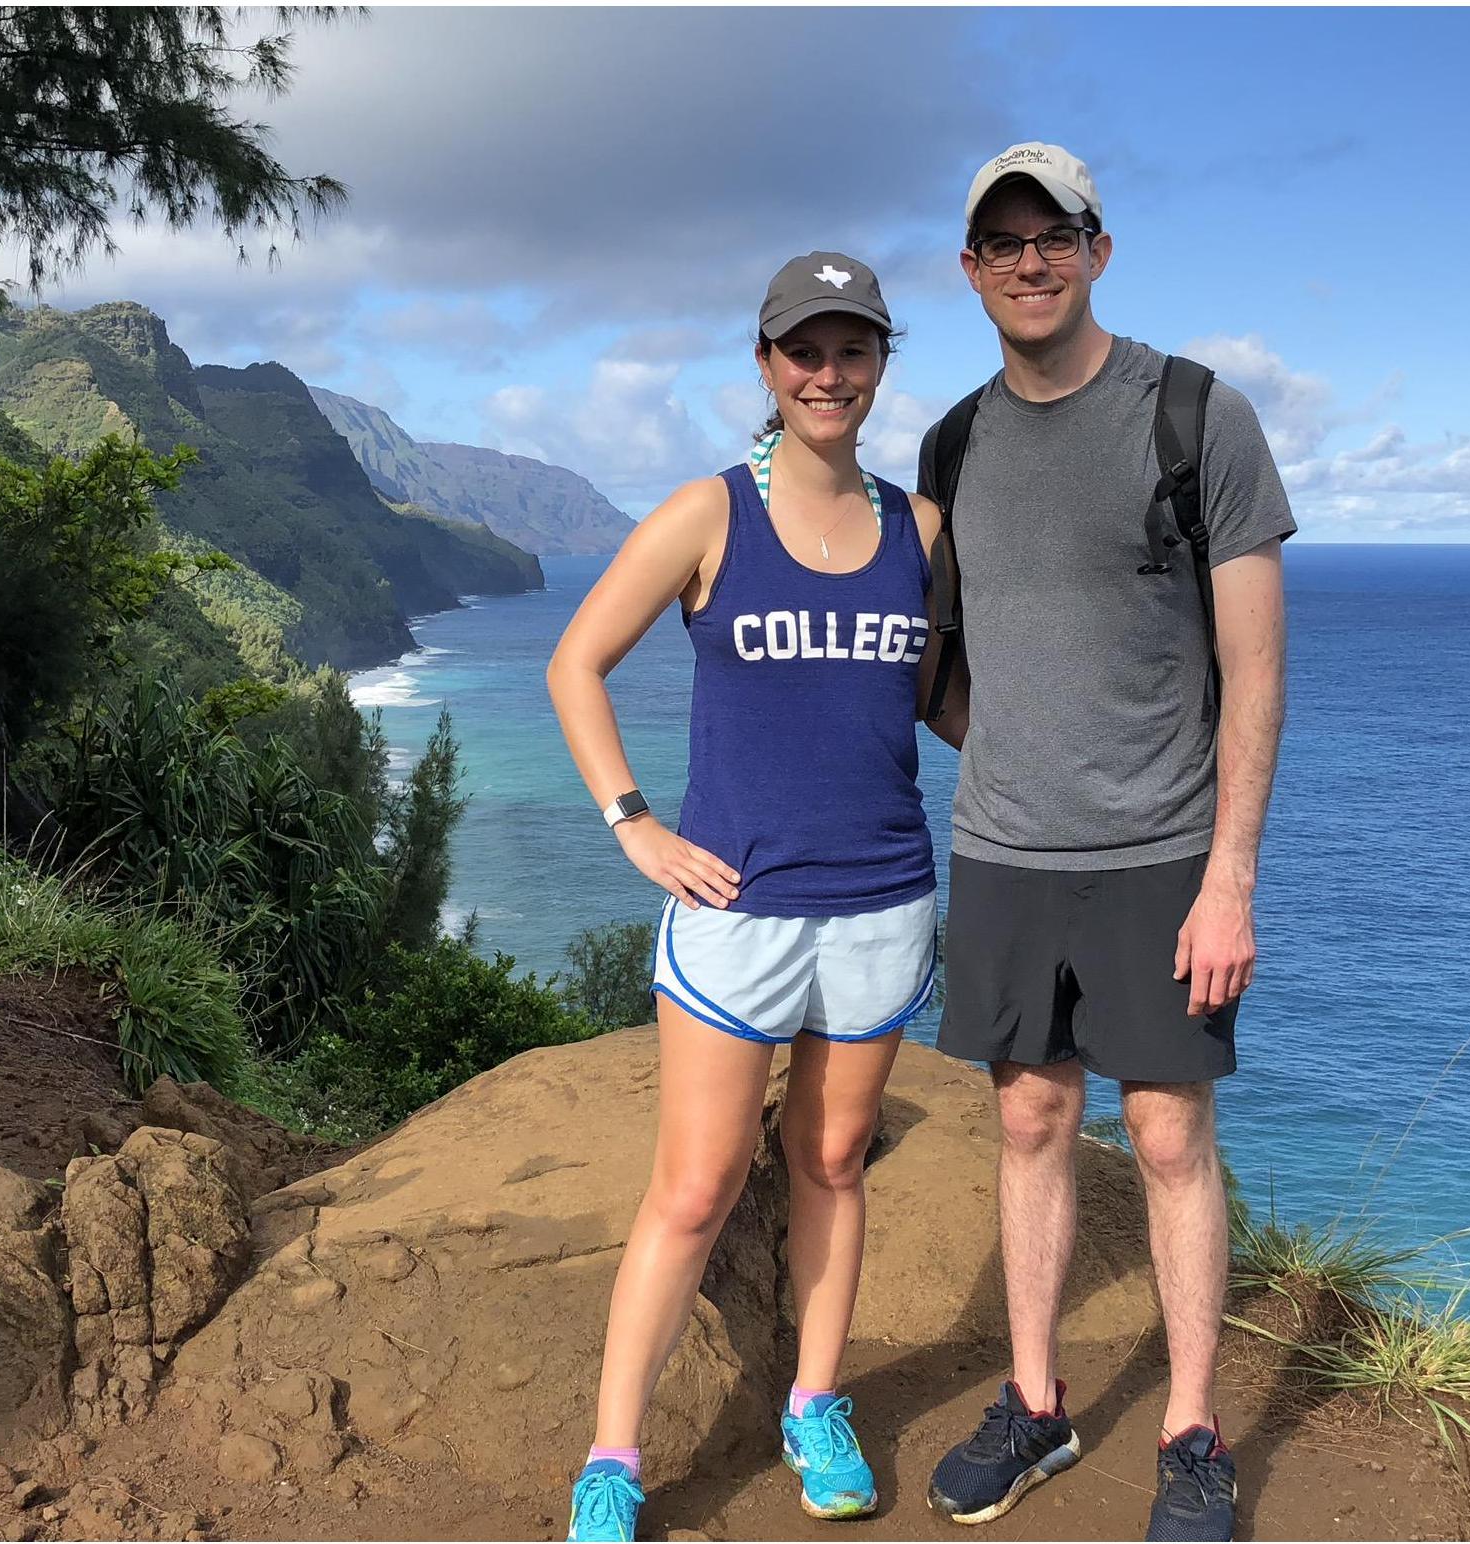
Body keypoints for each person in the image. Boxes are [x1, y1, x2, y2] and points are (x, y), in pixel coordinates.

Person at [917, 143, 1295, 1543]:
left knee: (1167, 1130)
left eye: (1054, 233)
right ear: (968, 269)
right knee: (1028, 1115)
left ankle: (1194, 1434)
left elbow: (1255, 671)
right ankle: (1038, 1402)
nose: (1030, 260)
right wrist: (1017, 749)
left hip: (1162, 855)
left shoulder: (1196, 415)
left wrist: (1231, 875)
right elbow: (944, 662)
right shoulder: (951, 442)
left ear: (1098, 247)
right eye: (1001, 241)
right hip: (1009, 850)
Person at [547, 251, 943, 1542]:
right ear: (767, 366)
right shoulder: (707, 513)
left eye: (854, 350)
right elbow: (576, 664)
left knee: (832, 1160)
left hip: (884, 900)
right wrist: (635, 827)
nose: (829, 375)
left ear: (882, 362)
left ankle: (813, 1402)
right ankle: (613, 1457)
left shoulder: (924, 529)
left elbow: (940, 705)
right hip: (741, 907)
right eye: (803, 351)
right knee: (697, 1185)